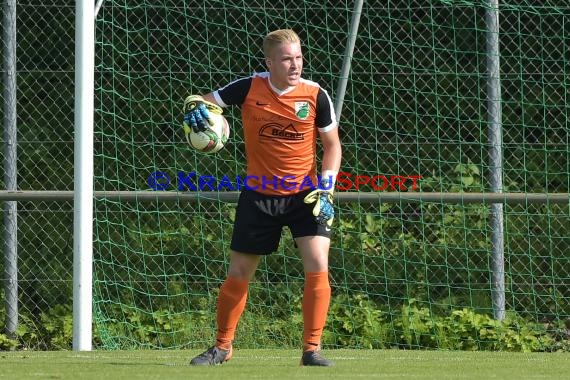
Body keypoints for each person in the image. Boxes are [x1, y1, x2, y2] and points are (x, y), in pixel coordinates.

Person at [182, 29, 342, 367]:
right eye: (286, 58)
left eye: (298, 57)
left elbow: (332, 146)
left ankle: (311, 350)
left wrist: (326, 189)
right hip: (259, 194)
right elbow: (204, 100)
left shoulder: (316, 95)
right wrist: (192, 105)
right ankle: (222, 347)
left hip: (306, 195)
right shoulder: (249, 87)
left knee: (318, 265)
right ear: (270, 62)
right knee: (239, 270)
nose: (295, 64)